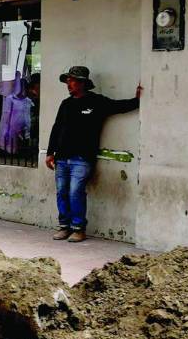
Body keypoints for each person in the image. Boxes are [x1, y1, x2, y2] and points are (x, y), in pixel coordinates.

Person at [45, 65, 141, 243]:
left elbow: (119, 106)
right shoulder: (66, 104)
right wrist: (50, 152)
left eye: (72, 80)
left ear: (82, 83)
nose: (69, 83)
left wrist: (137, 100)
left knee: (75, 191)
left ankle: (78, 228)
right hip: (61, 158)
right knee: (61, 192)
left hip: (82, 158)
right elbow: (56, 128)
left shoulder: (97, 102)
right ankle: (64, 226)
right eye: (68, 80)